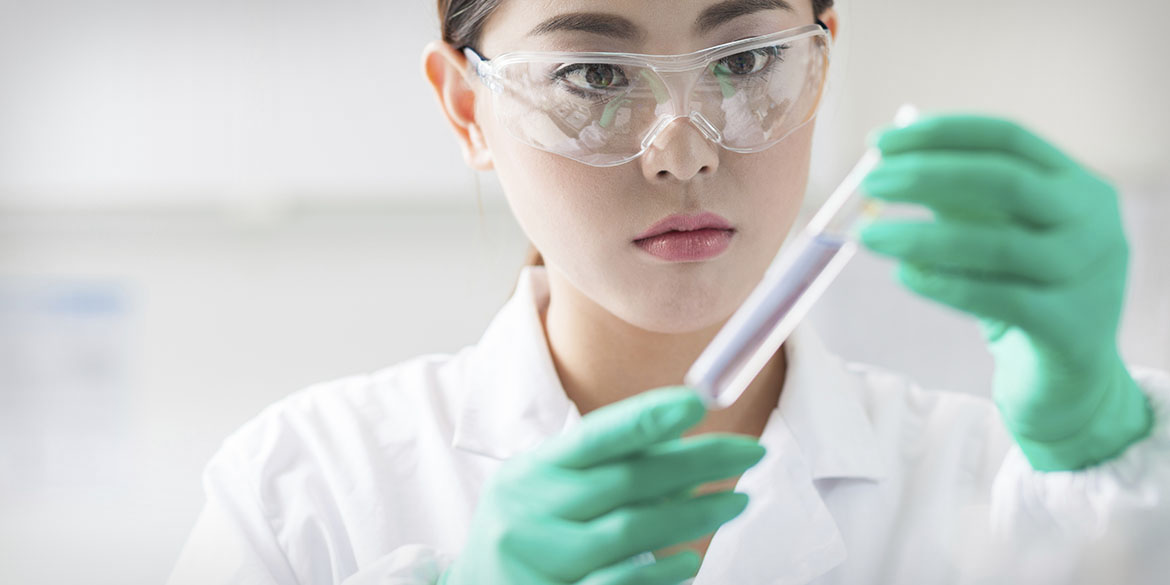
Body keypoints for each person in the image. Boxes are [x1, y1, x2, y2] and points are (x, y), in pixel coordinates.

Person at [166, 1, 1170, 584]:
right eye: (596, 78)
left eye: (744, 61)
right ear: (467, 108)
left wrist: (1103, 445)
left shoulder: (1003, 484)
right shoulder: (303, 492)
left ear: (818, 72)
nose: (682, 152)